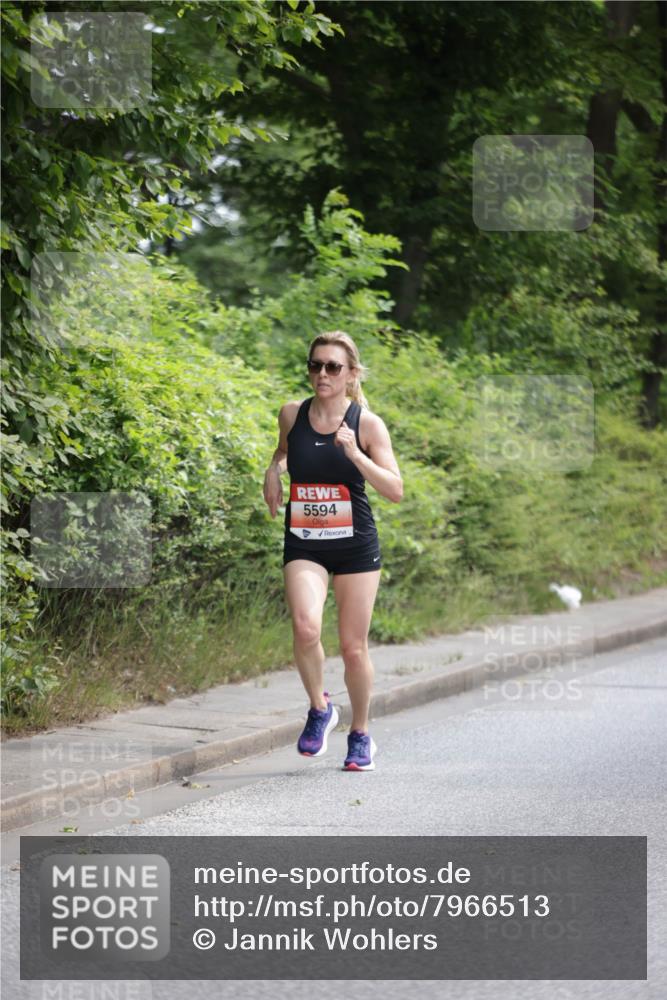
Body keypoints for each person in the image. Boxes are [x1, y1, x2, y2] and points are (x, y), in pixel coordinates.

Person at [263, 331, 403, 771]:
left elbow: (395, 489)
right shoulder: (292, 413)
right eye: (315, 365)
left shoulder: (367, 424)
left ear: (351, 374)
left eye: (332, 367)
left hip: (355, 546)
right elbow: (285, 451)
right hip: (305, 540)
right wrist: (272, 470)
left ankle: (361, 733)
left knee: (352, 646)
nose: (321, 373)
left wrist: (356, 456)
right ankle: (320, 708)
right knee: (306, 628)